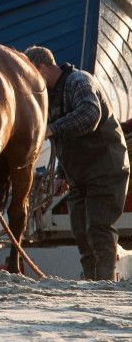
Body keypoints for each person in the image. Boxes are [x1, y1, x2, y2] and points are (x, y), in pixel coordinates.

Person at [24, 47, 129, 281]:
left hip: (106, 168)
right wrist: (62, 174)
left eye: (31, 76)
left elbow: (90, 115)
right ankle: (92, 279)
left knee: (99, 229)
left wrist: (52, 128)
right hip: (78, 174)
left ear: (41, 68)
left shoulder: (79, 81)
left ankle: (104, 283)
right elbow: (68, 140)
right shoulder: (50, 97)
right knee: (81, 233)